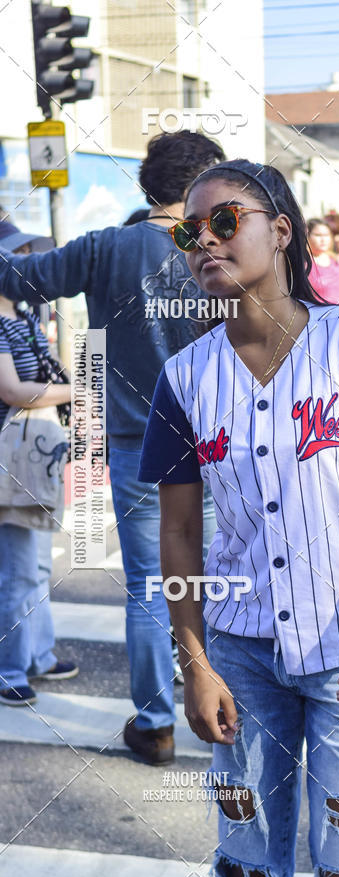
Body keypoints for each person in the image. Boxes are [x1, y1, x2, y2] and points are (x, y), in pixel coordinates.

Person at [139, 159, 339, 877]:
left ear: (280, 232)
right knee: (249, 871)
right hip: (238, 658)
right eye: (189, 230)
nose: (204, 240)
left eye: (225, 220)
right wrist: (194, 663)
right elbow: (177, 533)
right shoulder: (185, 380)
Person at [0, 130, 223, 764]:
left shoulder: (107, 247)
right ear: (201, 185)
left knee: (151, 587)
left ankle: (154, 724)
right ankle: (223, 703)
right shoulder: (218, 250)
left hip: (135, 446)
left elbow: (18, 277)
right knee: (218, 581)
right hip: (218, 445)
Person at [0, 223, 78, 706]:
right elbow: (10, 390)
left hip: (32, 453)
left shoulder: (24, 315)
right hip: (9, 455)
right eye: (20, 253)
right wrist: (81, 391)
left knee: (33, 564)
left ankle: (39, 655)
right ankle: (11, 669)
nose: (30, 261)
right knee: (18, 568)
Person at [306, 218, 339, 306]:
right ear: (307, 236)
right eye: (318, 235)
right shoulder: (304, 263)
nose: (323, 239)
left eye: (326, 235)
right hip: (319, 317)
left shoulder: (337, 260)